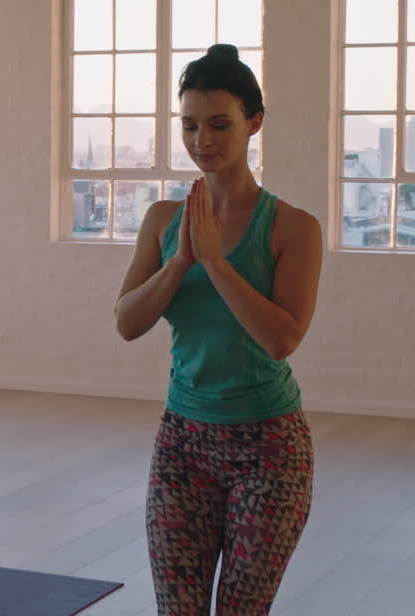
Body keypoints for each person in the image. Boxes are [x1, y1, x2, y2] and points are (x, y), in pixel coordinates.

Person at [114, 44, 322, 615]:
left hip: (270, 450)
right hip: (183, 442)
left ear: (254, 123)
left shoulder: (294, 228)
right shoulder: (162, 221)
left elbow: (282, 339)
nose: (202, 140)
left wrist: (218, 263)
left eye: (219, 124)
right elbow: (127, 322)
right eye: (190, 126)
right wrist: (180, 261)